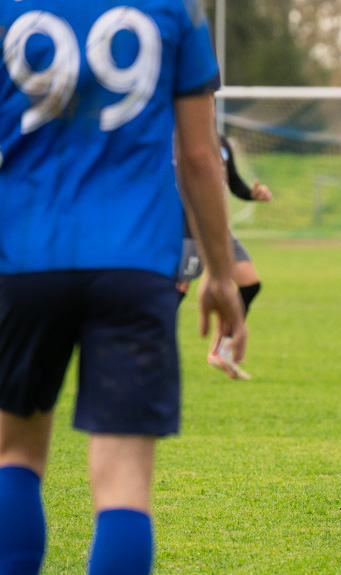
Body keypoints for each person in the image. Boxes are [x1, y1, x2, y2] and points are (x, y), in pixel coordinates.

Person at [0, 2, 246, 573]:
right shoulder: (177, 10)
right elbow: (199, 156)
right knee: (124, 485)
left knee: (13, 454)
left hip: (26, 257)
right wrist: (220, 273)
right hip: (136, 264)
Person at [178, 131, 273, 380]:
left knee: (250, 284)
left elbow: (235, 183)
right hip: (186, 228)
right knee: (174, 293)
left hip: (218, 229)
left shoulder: (221, 142)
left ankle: (223, 350)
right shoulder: (175, 138)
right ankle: (143, 352)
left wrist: (253, 194)